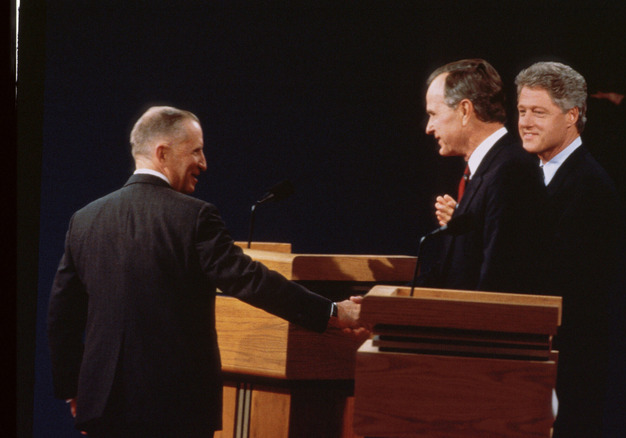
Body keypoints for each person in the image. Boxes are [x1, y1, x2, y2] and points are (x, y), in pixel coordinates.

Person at [47, 106, 368, 438]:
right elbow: (251, 280)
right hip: (174, 412)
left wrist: (74, 389)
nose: (204, 163)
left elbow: (61, 316)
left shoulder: (85, 220)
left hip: (102, 407)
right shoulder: (193, 217)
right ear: (162, 152)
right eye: (196, 151)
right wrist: (334, 311)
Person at [515, 61, 618, 437]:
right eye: (522, 111)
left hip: (566, 362)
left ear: (572, 115)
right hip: (536, 353)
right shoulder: (533, 176)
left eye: (538, 112)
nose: (525, 122)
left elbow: (571, 284)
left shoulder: (589, 186)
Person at [421, 58, 544, 293]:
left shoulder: (511, 172)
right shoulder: (490, 170)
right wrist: (375, 307)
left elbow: (497, 286)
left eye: (433, 114)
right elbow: (455, 272)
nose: (429, 127)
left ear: (465, 110)